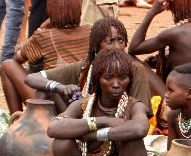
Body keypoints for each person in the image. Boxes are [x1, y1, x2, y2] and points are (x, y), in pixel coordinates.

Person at [47, 45, 150, 156]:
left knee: (134, 142)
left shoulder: (134, 106)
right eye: (108, 78)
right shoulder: (84, 104)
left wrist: (97, 135)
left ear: (129, 80)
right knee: (61, 144)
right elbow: (54, 128)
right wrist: (103, 121)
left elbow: (140, 128)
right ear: (98, 79)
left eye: (122, 78)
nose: (116, 84)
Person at [24, 17, 153, 110]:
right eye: (110, 41)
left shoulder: (135, 69)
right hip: (82, 124)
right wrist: (60, 87)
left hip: (121, 127)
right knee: (45, 91)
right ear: (96, 46)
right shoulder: (86, 67)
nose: (117, 46)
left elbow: (142, 114)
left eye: (121, 40)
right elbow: (32, 78)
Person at [0, 0, 88, 112]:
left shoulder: (44, 36)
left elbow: (16, 59)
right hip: (85, 101)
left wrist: (40, 29)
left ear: (50, 13)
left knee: (7, 65)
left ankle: (17, 119)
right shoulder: (92, 31)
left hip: (55, 105)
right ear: (79, 10)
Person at [160, 62, 191, 143]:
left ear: (189, 93)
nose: (166, 95)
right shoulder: (173, 116)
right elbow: (171, 150)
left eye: (171, 90)